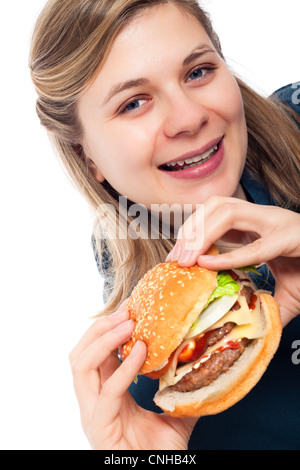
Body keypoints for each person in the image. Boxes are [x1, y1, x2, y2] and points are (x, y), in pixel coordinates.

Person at [29, 0, 300, 450]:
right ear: (88, 157)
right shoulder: (146, 366)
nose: (189, 118)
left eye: (198, 72)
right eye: (134, 103)